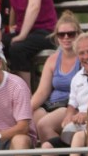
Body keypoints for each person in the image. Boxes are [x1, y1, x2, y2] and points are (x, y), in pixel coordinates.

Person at [31, 11, 82, 143]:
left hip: (71, 106)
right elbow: (42, 92)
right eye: (61, 34)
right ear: (56, 36)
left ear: (78, 35)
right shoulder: (52, 60)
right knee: (32, 116)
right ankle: (52, 155)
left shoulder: (84, 58)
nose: (66, 37)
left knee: (43, 124)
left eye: (70, 34)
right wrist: (24, 111)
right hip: (52, 105)